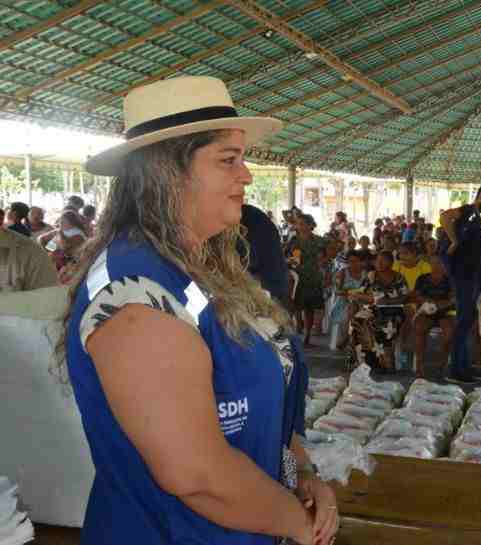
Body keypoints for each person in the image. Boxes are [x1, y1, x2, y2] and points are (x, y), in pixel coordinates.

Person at [57, 76, 335, 545]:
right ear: (168, 172)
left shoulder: (200, 269)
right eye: (228, 160)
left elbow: (255, 400)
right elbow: (198, 475)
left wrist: (300, 470)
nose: (245, 175)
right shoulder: (134, 298)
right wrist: (299, 526)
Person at [439, 183, 481, 384]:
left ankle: (464, 366)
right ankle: (457, 370)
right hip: (465, 276)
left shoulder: (479, 220)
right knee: (464, 322)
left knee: (468, 323)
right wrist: (454, 240)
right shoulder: (469, 211)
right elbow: (445, 216)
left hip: (476, 277)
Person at [348, 251, 409, 372]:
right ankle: (363, 362)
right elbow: (360, 293)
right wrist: (372, 299)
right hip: (373, 308)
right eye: (377, 260)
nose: (379, 263)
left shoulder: (399, 277)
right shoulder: (371, 276)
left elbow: (405, 296)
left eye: (383, 260)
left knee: (385, 327)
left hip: (394, 310)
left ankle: (384, 363)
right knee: (357, 322)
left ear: (391, 263)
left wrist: (387, 301)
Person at [285, 213, 327, 346]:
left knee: (309, 308)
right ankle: (298, 328)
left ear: (310, 225)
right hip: (297, 277)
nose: (300, 226)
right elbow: (289, 256)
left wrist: (323, 263)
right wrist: (290, 262)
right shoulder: (294, 240)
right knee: (296, 305)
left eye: (303, 224)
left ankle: (307, 335)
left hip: (313, 276)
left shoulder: (319, 241)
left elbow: (329, 253)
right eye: (298, 223)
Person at [412, 256, 455, 378]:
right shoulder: (422, 278)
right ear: (430, 264)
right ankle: (419, 364)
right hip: (426, 311)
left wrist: (438, 305)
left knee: (448, 334)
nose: (437, 265)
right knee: (419, 328)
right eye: (434, 263)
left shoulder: (450, 280)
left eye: (440, 263)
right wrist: (428, 302)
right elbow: (417, 295)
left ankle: (442, 363)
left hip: (445, 312)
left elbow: (453, 299)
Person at [239, 204, 290, 309]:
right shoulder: (254, 215)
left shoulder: (247, 218)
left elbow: (250, 261)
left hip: (264, 290)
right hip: (274, 285)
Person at [0, 204, 58, 292]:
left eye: (39, 214)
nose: (37, 216)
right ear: (28, 215)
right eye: (34, 214)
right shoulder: (22, 227)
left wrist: (47, 252)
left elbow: (54, 245)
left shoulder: (49, 229)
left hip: (37, 260)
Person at [330, 250, 366, 350]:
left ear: (361, 261)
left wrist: (359, 296)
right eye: (350, 261)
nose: (353, 264)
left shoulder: (366, 274)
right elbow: (337, 291)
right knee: (351, 310)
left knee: (356, 309)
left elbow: (369, 291)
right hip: (343, 303)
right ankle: (348, 337)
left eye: (356, 261)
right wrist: (349, 293)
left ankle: (348, 338)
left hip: (362, 302)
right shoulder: (342, 273)